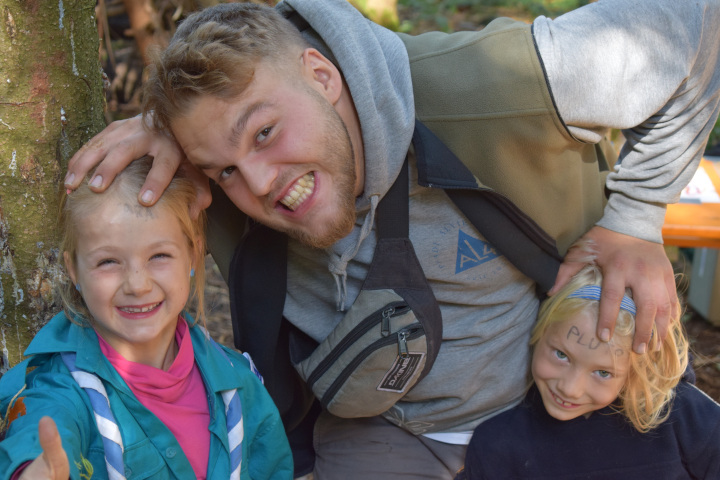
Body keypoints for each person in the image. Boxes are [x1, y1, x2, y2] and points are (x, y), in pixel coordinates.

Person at [62, 0, 720, 478]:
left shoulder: (496, 85)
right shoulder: (219, 183)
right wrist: (158, 134)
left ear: (322, 75)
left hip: (555, 400)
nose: (260, 184)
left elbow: (695, 21)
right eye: (224, 168)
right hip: (379, 430)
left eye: (264, 132)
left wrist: (635, 216)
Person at [0, 157, 293, 480]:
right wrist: (33, 469)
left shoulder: (240, 384)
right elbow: (44, 421)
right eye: (108, 261)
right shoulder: (61, 386)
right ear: (74, 271)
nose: (137, 285)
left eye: (159, 256)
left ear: (193, 254)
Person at [458, 264, 720, 479]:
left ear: (634, 372)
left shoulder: (681, 417)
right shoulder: (498, 445)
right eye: (561, 355)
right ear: (538, 333)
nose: (570, 388)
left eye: (603, 373)